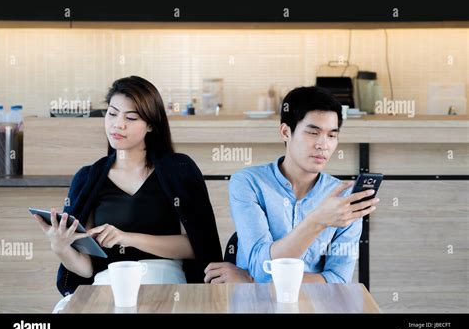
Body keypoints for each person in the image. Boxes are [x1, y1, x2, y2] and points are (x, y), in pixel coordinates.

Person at [33, 76, 223, 311]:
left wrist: (127, 237)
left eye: (131, 118)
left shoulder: (178, 170)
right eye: (112, 114)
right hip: (106, 285)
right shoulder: (88, 177)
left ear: (151, 125)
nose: (117, 124)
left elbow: (195, 245)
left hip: (164, 283)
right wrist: (61, 248)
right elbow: (87, 267)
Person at [204, 86, 379, 283]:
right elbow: (260, 268)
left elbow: (338, 280)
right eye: (313, 133)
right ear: (286, 132)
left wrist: (252, 280)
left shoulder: (344, 199)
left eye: (332, 135)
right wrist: (317, 221)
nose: (323, 145)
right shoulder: (248, 182)